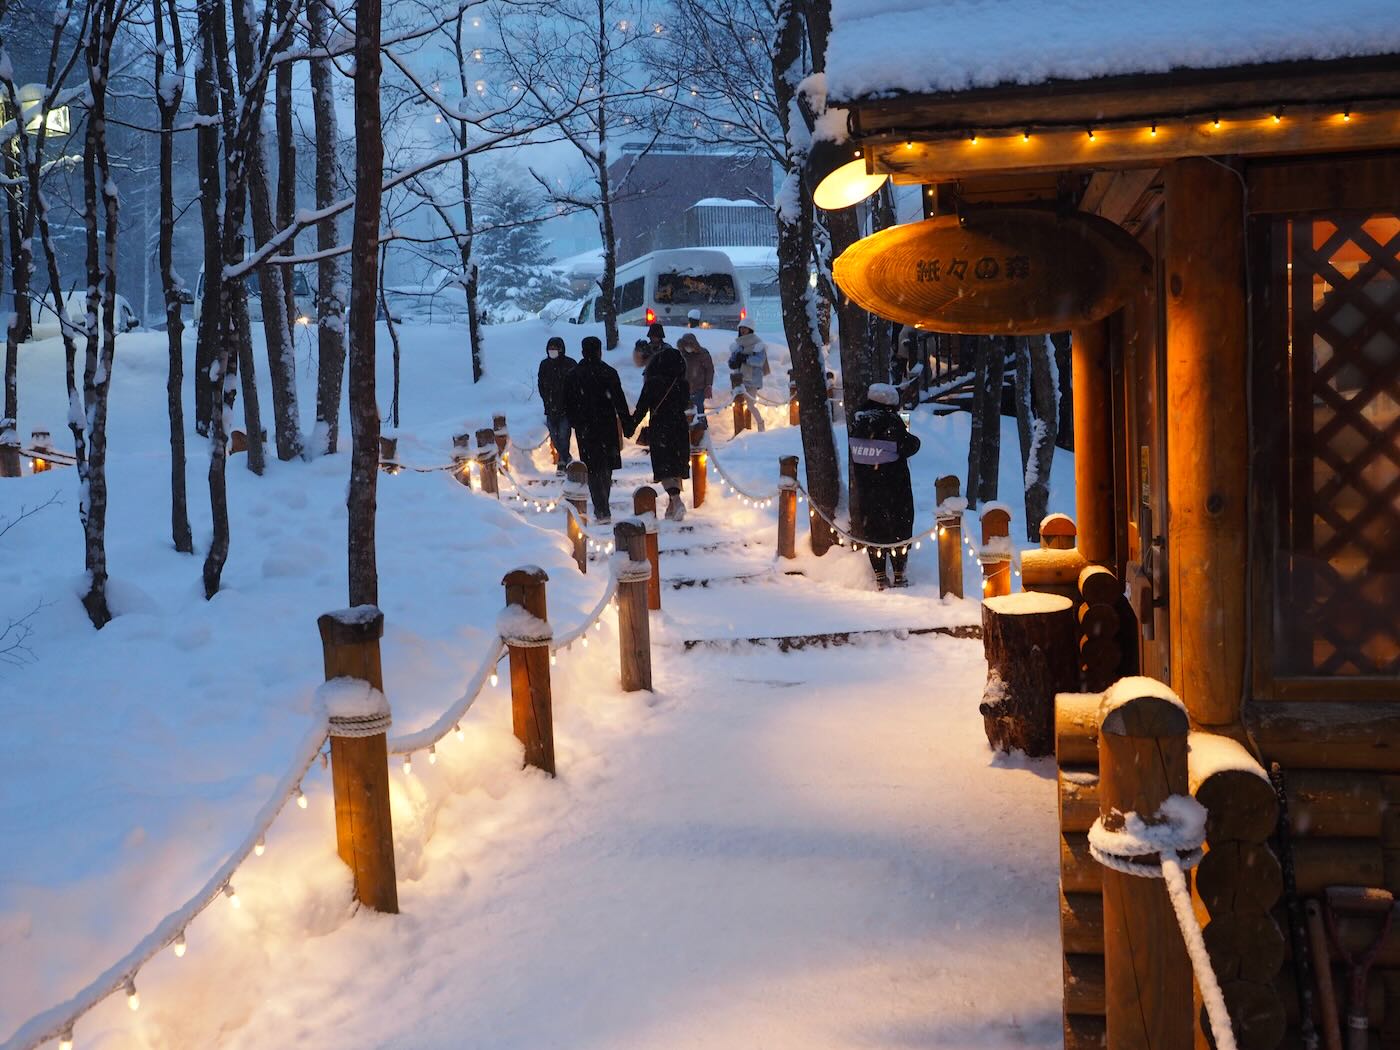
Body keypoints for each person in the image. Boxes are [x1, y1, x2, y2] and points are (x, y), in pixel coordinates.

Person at [848, 383, 921, 590]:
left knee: (874, 530)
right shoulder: (891, 421)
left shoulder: (857, 421)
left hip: (867, 488)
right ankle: (899, 575)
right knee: (900, 528)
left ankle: (880, 576)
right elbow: (911, 445)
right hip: (895, 486)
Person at [564, 335, 631, 524]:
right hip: (606, 425)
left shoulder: (573, 375)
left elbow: (567, 403)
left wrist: (575, 422)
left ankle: (600, 507)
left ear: (583, 352)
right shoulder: (608, 372)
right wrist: (627, 424)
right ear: (600, 351)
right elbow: (619, 400)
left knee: (592, 467)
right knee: (606, 466)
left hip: (585, 428)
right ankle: (603, 505)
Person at [630, 333, 691, 520]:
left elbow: (641, 408)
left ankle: (676, 500)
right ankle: (673, 507)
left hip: (660, 428)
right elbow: (685, 404)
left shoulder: (653, 383)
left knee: (664, 467)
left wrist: (630, 426)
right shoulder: (682, 384)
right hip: (680, 427)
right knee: (676, 465)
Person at [537, 336, 575, 474]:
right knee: (554, 435)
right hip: (550, 407)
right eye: (550, 348)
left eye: (555, 348)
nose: (552, 350)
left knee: (564, 434)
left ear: (561, 349)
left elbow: (575, 385)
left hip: (566, 408)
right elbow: (541, 385)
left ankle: (562, 461)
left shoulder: (569, 364)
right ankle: (566, 457)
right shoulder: (544, 365)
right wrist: (547, 400)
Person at [676, 332, 714, 430]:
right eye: (685, 345)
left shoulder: (702, 354)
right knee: (685, 412)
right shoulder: (681, 355)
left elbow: (709, 370)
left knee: (699, 411)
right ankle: (686, 431)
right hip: (684, 389)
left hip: (699, 388)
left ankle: (702, 430)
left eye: (689, 344)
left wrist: (708, 385)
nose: (688, 347)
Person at [726, 324, 769, 396]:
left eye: (745, 328)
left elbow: (760, 361)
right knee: (738, 402)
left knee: (750, 402)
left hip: (752, 380)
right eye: (741, 328)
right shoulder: (738, 344)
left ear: (750, 329)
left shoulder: (757, 344)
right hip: (738, 380)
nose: (743, 330)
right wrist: (732, 363)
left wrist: (746, 358)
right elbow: (732, 358)